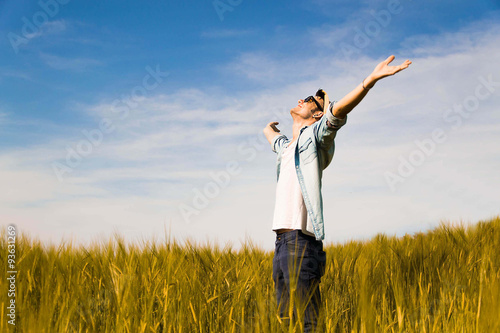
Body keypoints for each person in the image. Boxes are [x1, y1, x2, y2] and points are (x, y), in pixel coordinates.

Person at [263, 55, 412, 332]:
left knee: (309, 323)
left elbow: (339, 111)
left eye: (309, 100)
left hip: (300, 241)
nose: (301, 99)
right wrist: (268, 128)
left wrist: (370, 81)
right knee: (284, 321)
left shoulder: (317, 137)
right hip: (280, 242)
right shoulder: (286, 148)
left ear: (318, 114)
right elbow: (272, 138)